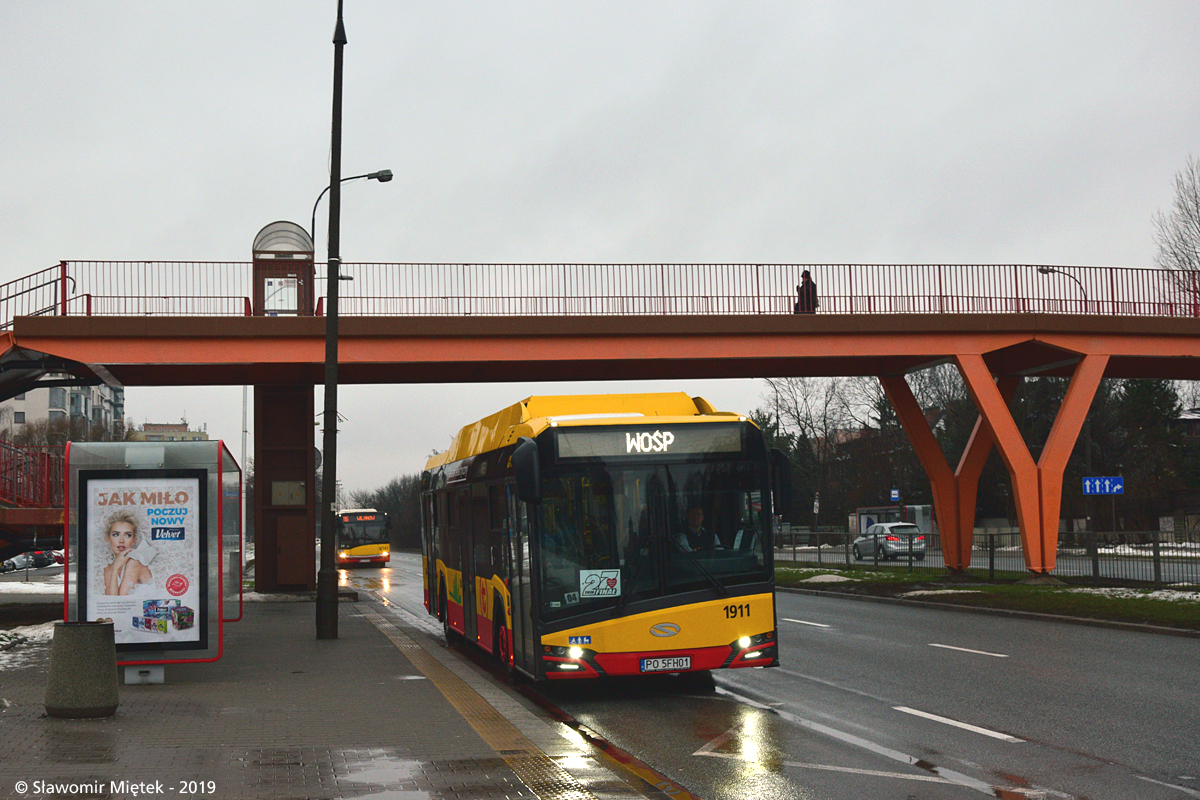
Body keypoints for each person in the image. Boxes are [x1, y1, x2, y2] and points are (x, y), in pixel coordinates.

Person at [101, 509, 154, 596]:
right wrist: (115, 567)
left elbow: (120, 602)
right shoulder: (107, 569)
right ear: (108, 538)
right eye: (116, 534)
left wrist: (115, 568)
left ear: (134, 540)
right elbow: (109, 602)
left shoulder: (135, 562)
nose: (121, 540)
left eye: (127, 535)